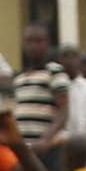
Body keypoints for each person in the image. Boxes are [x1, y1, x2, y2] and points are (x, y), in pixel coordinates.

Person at [11, 22, 68, 157]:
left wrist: (46, 139)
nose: (33, 46)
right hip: (25, 149)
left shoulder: (54, 72)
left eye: (39, 41)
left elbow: (64, 110)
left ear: (47, 43)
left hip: (47, 148)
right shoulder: (19, 79)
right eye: (29, 41)